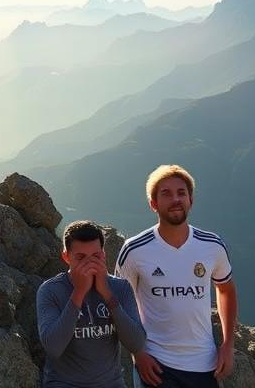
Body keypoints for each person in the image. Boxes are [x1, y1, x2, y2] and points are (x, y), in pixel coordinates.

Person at [114, 165, 237, 388]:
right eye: (166, 194)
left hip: (206, 365)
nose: (176, 199)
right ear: (153, 204)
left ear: (191, 200)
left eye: (181, 193)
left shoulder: (212, 245)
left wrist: (228, 345)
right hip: (156, 366)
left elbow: (226, 289)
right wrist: (138, 354)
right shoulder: (134, 250)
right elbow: (119, 304)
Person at [37, 219, 147, 388]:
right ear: (66, 256)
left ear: (103, 254)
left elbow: (137, 343)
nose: (89, 264)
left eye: (95, 257)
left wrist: (107, 294)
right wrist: (79, 292)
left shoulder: (120, 287)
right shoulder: (51, 290)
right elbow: (53, 347)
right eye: (80, 257)